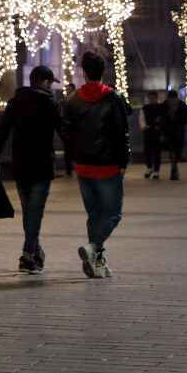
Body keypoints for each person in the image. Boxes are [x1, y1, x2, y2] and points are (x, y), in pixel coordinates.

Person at [0, 65, 66, 274]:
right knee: (35, 212)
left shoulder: (15, 102)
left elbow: (2, 131)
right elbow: (64, 132)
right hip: (42, 165)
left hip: (21, 165)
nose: (51, 86)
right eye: (50, 82)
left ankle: (35, 251)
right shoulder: (50, 103)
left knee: (29, 212)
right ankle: (27, 255)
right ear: (44, 81)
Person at [62, 51, 130, 279]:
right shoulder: (112, 98)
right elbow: (122, 132)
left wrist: (74, 156)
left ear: (83, 71)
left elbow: (66, 132)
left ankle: (97, 261)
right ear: (104, 71)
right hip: (108, 166)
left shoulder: (73, 100)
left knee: (94, 214)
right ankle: (93, 248)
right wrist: (123, 162)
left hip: (83, 166)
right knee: (113, 214)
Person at [163, 90, 187, 178]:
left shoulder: (166, 104)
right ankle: (174, 166)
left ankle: (174, 166)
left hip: (172, 131)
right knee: (175, 149)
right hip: (175, 131)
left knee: (174, 150)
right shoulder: (181, 104)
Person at [139, 91, 166, 180]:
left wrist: (161, 129)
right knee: (147, 151)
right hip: (148, 131)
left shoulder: (161, 108)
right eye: (150, 98)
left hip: (158, 132)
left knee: (157, 152)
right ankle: (149, 168)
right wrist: (144, 127)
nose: (152, 99)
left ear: (156, 98)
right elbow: (141, 118)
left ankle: (156, 171)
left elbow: (163, 120)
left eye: (153, 98)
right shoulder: (145, 108)